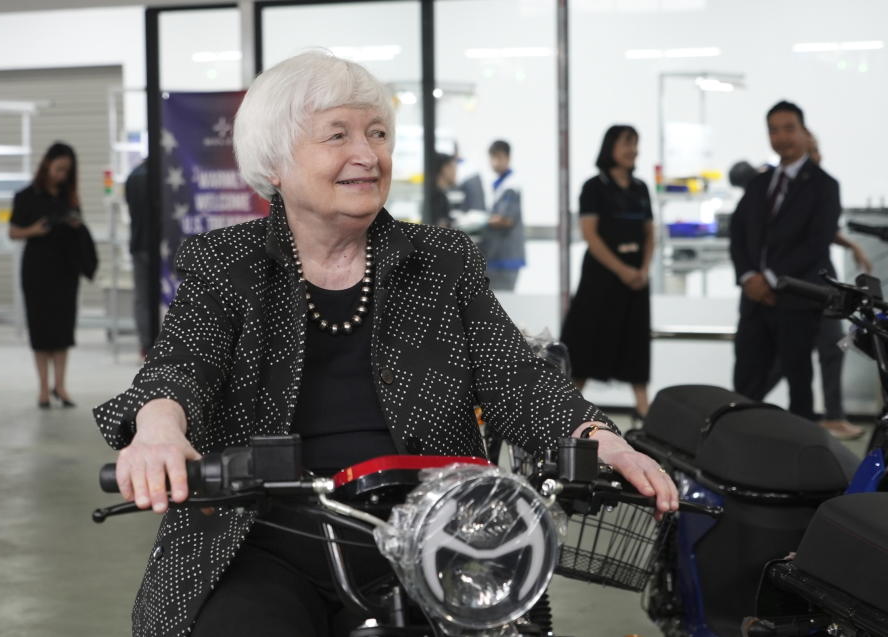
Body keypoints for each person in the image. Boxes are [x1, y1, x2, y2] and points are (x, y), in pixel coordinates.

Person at [92, 51, 677, 637]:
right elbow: (181, 366)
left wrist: (600, 439)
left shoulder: (443, 260)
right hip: (260, 536)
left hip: (431, 537)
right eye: (337, 135)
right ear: (276, 163)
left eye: (377, 134)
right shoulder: (226, 262)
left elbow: (515, 376)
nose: (367, 156)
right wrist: (159, 427)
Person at [729, 101, 842, 421]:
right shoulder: (758, 183)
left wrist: (769, 276)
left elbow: (816, 244)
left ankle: (800, 460)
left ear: (805, 132)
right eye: (773, 130)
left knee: (798, 385)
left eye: (789, 128)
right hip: (753, 301)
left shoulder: (824, 186)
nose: (781, 137)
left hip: (795, 299)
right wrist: (749, 275)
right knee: (745, 385)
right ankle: (736, 450)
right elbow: (738, 234)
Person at [761, 131, 868, 439]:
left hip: (821, 286)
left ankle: (834, 416)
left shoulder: (821, 184)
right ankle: (744, 398)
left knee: (832, 350)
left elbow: (823, 229)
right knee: (788, 360)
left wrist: (852, 247)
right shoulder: (786, 185)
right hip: (801, 287)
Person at [562, 125, 654, 419]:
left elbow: (650, 233)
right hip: (601, 278)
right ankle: (569, 410)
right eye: (626, 143)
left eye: (635, 144)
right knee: (586, 341)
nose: (632, 150)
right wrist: (621, 269)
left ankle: (644, 409)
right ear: (610, 147)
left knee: (635, 341)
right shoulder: (594, 187)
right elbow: (590, 235)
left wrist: (642, 269)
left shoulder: (640, 188)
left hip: (635, 279)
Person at [9, 142, 87, 408]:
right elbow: (13, 232)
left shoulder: (69, 198)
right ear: (46, 165)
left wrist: (75, 224)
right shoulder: (26, 196)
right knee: (41, 331)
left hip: (65, 270)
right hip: (37, 271)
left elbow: (80, 226)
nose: (61, 176)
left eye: (67, 171)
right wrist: (34, 230)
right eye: (58, 169)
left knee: (63, 331)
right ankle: (43, 389)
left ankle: (61, 386)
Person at [480, 140, 526, 291]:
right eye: (492, 158)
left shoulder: (511, 186)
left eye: (499, 157)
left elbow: (505, 220)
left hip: (506, 258)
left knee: (503, 303)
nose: (495, 162)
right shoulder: (500, 185)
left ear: (508, 158)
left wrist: (480, 221)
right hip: (497, 256)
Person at [124, 158, 156, 358]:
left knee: (143, 298)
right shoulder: (159, 175)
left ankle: (146, 345)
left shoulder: (132, 176)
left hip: (138, 243)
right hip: (159, 245)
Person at [429, 152, 456, 228]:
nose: (455, 171)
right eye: (452, 167)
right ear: (444, 168)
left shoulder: (440, 194)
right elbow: (441, 226)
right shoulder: (437, 197)